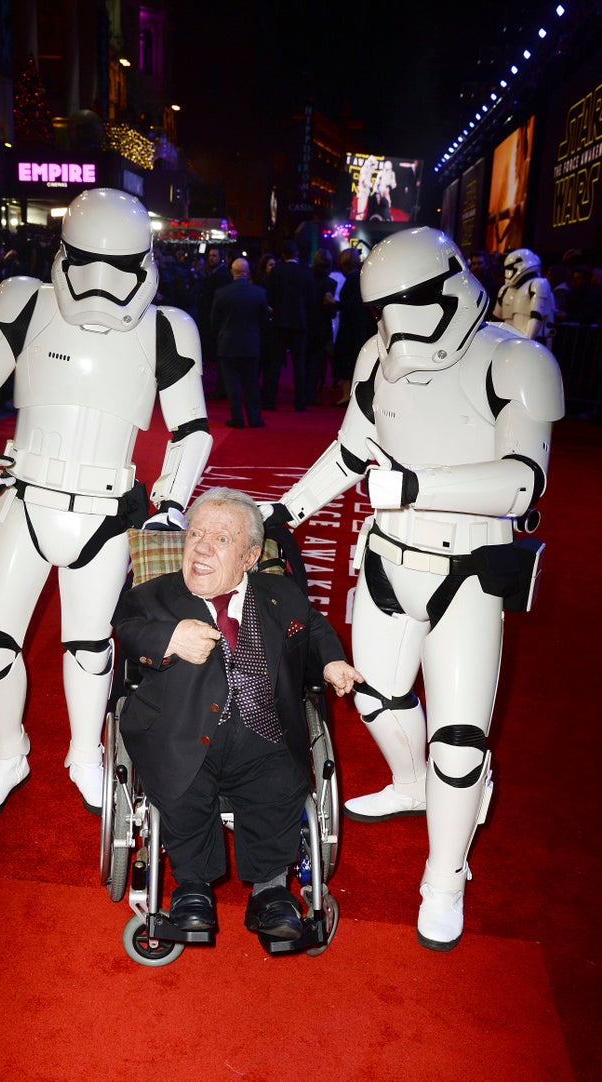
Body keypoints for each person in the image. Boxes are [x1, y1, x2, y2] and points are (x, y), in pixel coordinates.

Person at [262, 227, 565, 951]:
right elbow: (350, 450)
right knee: (371, 692)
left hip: (469, 570)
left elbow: (525, 479)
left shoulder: (515, 360)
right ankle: (412, 783)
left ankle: (445, 875)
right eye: (382, 310)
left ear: (449, 288)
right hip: (390, 556)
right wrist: (284, 512)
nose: (395, 327)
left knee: (459, 741)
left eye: (407, 304)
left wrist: (420, 485)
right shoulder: (377, 358)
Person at [0, 188, 213, 824]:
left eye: (119, 265)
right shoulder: (25, 302)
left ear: (145, 262)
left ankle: (84, 754)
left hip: (107, 509)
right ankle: (8, 754)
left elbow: (192, 427)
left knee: (91, 648)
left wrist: (171, 501)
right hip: (24, 498)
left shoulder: (167, 327)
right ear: (63, 251)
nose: (100, 282)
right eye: (87, 260)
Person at [115, 487, 362, 941]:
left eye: (221, 540)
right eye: (196, 535)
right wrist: (169, 639)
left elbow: (315, 626)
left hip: (262, 736)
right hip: (179, 733)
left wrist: (330, 661)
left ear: (250, 556)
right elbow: (127, 631)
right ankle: (192, 885)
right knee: (181, 789)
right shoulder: (152, 597)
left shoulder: (279, 595)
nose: (202, 548)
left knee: (280, 789)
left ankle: (270, 889)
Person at [210, 256, 268, 429]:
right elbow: (264, 321)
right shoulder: (259, 293)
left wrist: (219, 336)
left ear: (232, 272)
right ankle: (254, 418)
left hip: (228, 343)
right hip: (251, 342)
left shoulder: (221, 293)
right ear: (248, 272)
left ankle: (237, 418)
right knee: (251, 383)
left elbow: (214, 321)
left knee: (232, 384)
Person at [262, 238, 314, 412]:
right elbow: (311, 300)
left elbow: (269, 296)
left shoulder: (276, 271)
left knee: (274, 363)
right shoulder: (305, 273)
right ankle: (300, 401)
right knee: (300, 364)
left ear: (282, 254)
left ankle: (270, 400)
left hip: (279, 322)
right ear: (296, 253)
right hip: (299, 322)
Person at [330, 247, 376, 406]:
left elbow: (350, 304)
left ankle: (347, 394)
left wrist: (335, 304)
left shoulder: (352, 279)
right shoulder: (362, 277)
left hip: (351, 326)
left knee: (346, 359)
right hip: (362, 325)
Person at [492, 248, 556, 346]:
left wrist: (525, 343)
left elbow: (536, 318)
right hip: (507, 342)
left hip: (532, 343)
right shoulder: (505, 290)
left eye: (511, 268)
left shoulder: (538, 284)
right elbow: (496, 320)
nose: (508, 272)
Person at [196, 246, 232, 399]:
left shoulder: (221, 275)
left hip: (216, 321)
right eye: (210, 255)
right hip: (212, 319)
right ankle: (221, 387)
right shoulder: (214, 273)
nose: (211, 258)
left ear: (221, 257)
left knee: (220, 357)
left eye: (214, 256)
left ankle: (222, 388)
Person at [306, 248, 337, 403]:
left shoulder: (306, 279)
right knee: (316, 361)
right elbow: (329, 309)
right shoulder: (331, 283)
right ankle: (311, 393)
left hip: (306, 324)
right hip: (322, 325)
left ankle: (303, 392)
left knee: (304, 360)